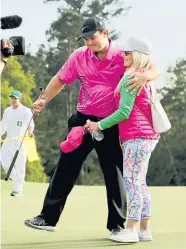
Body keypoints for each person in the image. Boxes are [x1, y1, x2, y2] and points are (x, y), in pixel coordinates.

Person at [24, 17, 159, 238]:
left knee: (114, 173)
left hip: (111, 122)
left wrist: (146, 75)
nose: (88, 43)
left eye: (92, 37)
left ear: (105, 33)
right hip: (83, 120)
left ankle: (117, 225)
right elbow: (60, 79)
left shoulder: (123, 53)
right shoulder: (79, 55)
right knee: (66, 167)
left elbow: (151, 66)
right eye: (85, 39)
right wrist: (43, 99)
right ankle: (47, 218)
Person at [85, 36, 160, 243]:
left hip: (137, 136)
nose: (123, 55)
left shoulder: (130, 79)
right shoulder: (143, 76)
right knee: (140, 183)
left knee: (132, 182)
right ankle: (145, 230)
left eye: (127, 53)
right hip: (145, 136)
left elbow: (124, 112)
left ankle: (131, 229)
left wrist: (98, 125)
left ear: (136, 55)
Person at [0, 90, 34, 197]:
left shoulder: (26, 111)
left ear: (20, 99)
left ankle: (17, 190)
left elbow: (30, 125)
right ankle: (18, 180)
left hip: (21, 141)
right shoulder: (7, 111)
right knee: (4, 161)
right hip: (9, 140)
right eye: (12, 98)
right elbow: (3, 125)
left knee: (20, 166)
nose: (13, 100)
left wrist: (30, 132)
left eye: (15, 98)